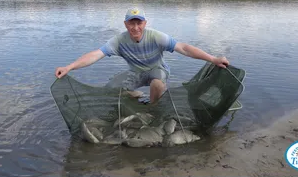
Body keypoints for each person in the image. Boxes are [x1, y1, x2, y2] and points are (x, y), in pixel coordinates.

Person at [55, 7, 229, 104]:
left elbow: (184, 48)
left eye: (139, 23)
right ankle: (136, 95)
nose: (135, 27)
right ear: (125, 24)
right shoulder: (119, 41)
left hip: (157, 71)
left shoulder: (156, 36)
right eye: (132, 23)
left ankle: (154, 107)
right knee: (110, 89)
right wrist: (69, 67)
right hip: (135, 73)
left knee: (157, 84)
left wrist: (213, 59)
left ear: (145, 23)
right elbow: (95, 55)